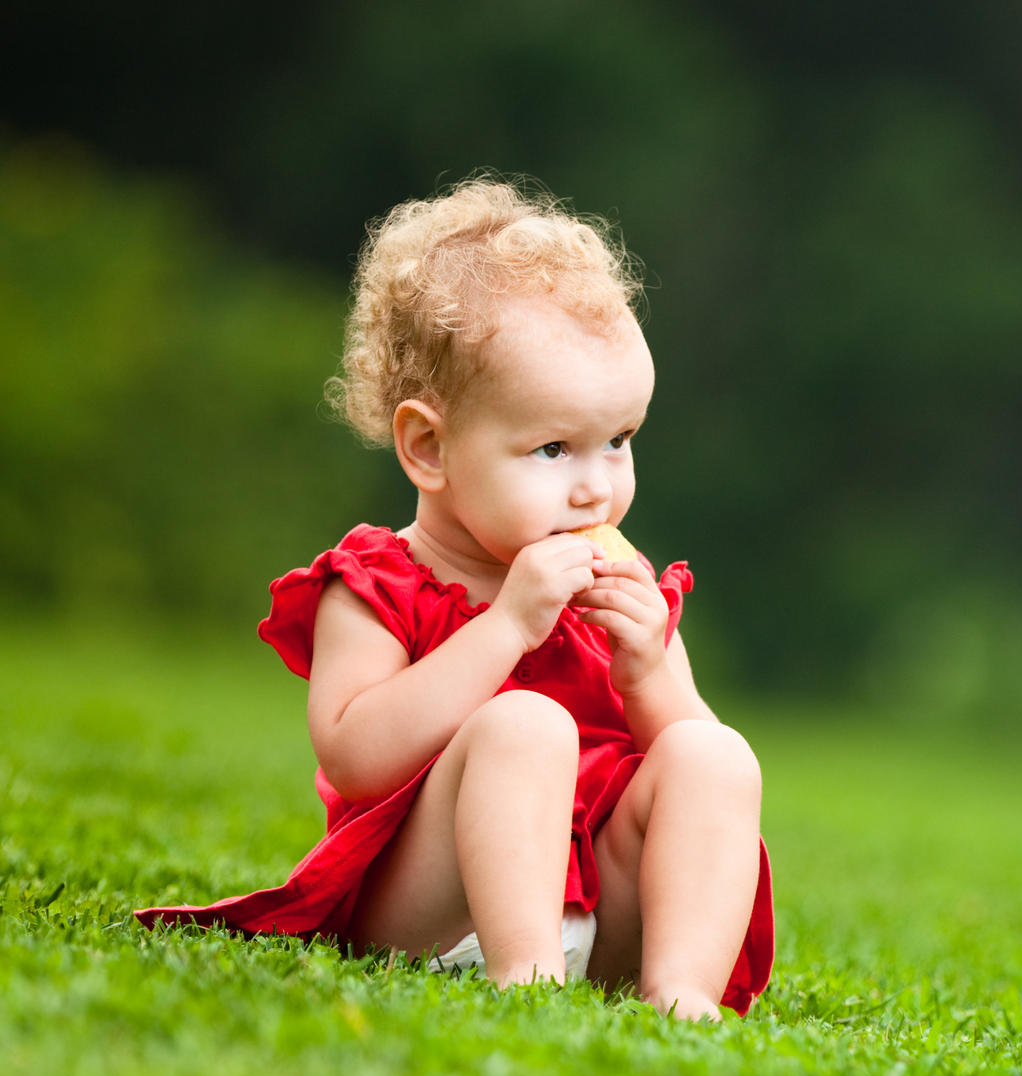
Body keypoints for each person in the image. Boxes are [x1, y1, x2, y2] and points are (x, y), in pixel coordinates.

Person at [136, 177, 773, 1020]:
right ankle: (526, 978)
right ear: (429, 448)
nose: (595, 489)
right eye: (552, 448)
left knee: (717, 753)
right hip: (430, 916)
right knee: (525, 724)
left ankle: (678, 992)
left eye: (618, 441)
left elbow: (684, 766)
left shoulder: (621, 590)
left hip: (603, 909)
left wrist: (649, 667)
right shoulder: (378, 584)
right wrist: (506, 626)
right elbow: (354, 756)